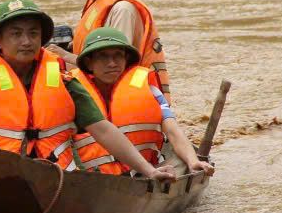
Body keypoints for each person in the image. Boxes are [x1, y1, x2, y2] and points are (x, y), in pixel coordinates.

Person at [0, 0, 179, 183]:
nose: (26, 41)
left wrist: (149, 171)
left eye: (33, 34)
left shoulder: (66, 83)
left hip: (54, 181)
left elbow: (103, 129)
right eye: (16, 34)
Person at [70, 27, 213, 177]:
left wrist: (192, 161)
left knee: (180, 164)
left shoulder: (150, 91)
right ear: (89, 63)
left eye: (118, 56)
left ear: (126, 60)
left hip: (145, 173)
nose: (112, 63)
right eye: (103, 56)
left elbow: (172, 130)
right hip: (90, 177)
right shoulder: (72, 93)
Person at [46, 0, 172, 102]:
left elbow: (115, 67)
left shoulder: (123, 9)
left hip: (128, 97)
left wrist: (65, 56)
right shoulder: (96, 0)